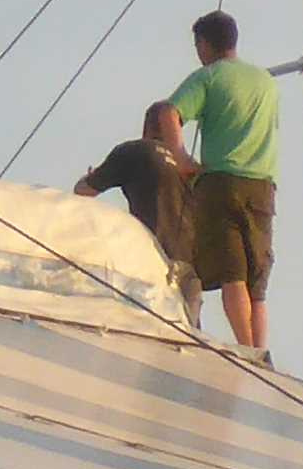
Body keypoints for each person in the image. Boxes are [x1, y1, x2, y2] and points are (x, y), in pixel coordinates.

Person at [167, 8, 281, 355]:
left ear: (204, 44)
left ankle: (245, 348)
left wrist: (181, 158)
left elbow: (169, 112)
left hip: (220, 182)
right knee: (257, 281)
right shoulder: (265, 81)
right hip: (262, 184)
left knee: (233, 271)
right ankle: (261, 350)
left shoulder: (208, 77)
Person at [73, 96, 209, 332]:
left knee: (147, 332)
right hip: (191, 264)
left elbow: (83, 191)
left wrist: (90, 176)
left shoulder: (134, 151)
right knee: (189, 337)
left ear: (146, 127)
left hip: (150, 258)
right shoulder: (189, 168)